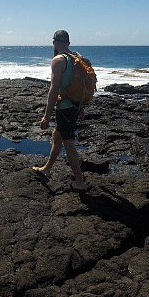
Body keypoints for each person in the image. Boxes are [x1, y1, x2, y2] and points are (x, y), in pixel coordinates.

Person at [33, 30, 87, 191]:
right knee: (57, 137)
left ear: (54, 43)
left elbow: (53, 90)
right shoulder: (76, 59)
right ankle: (47, 169)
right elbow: (82, 85)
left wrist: (46, 116)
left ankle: (80, 183)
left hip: (64, 109)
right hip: (75, 107)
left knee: (69, 144)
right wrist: (81, 107)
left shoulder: (58, 60)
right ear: (68, 43)